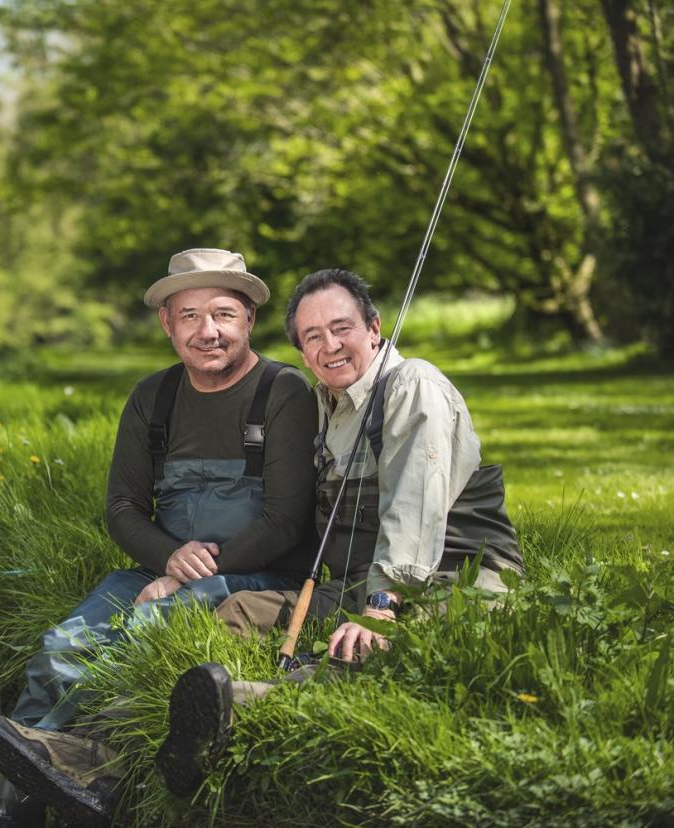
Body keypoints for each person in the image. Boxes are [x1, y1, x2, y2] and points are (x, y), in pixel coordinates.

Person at [155, 267, 525, 796]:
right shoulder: (330, 406)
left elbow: (413, 511)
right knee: (236, 612)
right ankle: (164, 707)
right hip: (361, 580)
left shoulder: (412, 385)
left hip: (460, 575)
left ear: (375, 328)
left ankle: (237, 709)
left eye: (342, 327)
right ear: (302, 352)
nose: (330, 345)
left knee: (368, 650)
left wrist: (379, 608)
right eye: (312, 336)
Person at [0, 248, 319, 825]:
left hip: (256, 570)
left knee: (142, 633)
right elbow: (122, 508)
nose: (207, 331)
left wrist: (183, 575)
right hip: (159, 566)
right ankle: (12, 806)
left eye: (222, 314)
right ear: (167, 323)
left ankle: (90, 772)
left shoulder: (284, 392)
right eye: (189, 316)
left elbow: (286, 520)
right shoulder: (152, 398)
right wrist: (165, 559)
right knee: (58, 651)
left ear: (248, 320)